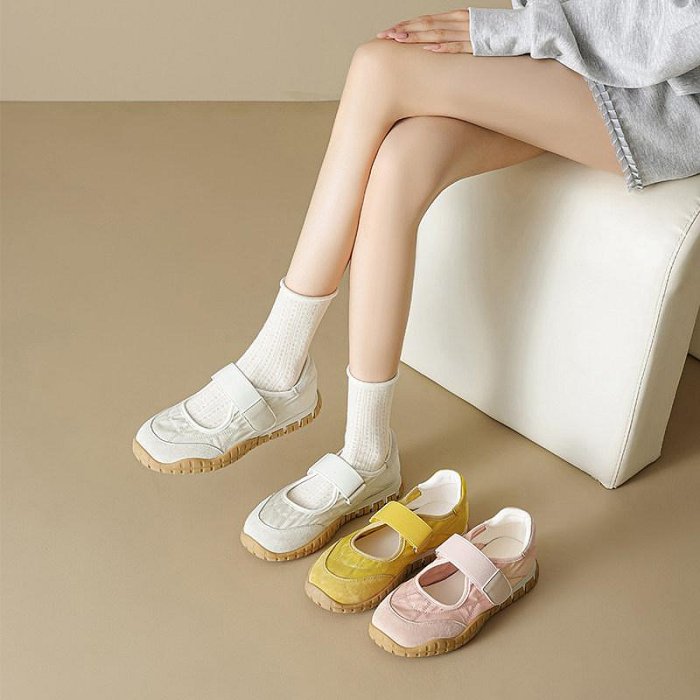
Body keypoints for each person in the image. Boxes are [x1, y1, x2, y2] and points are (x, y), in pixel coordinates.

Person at [133, 2, 700, 559]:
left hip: (662, 95)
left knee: (379, 67)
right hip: (576, 55)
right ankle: (368, 454)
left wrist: (513, 30)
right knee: (400, 160)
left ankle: (276, 365)